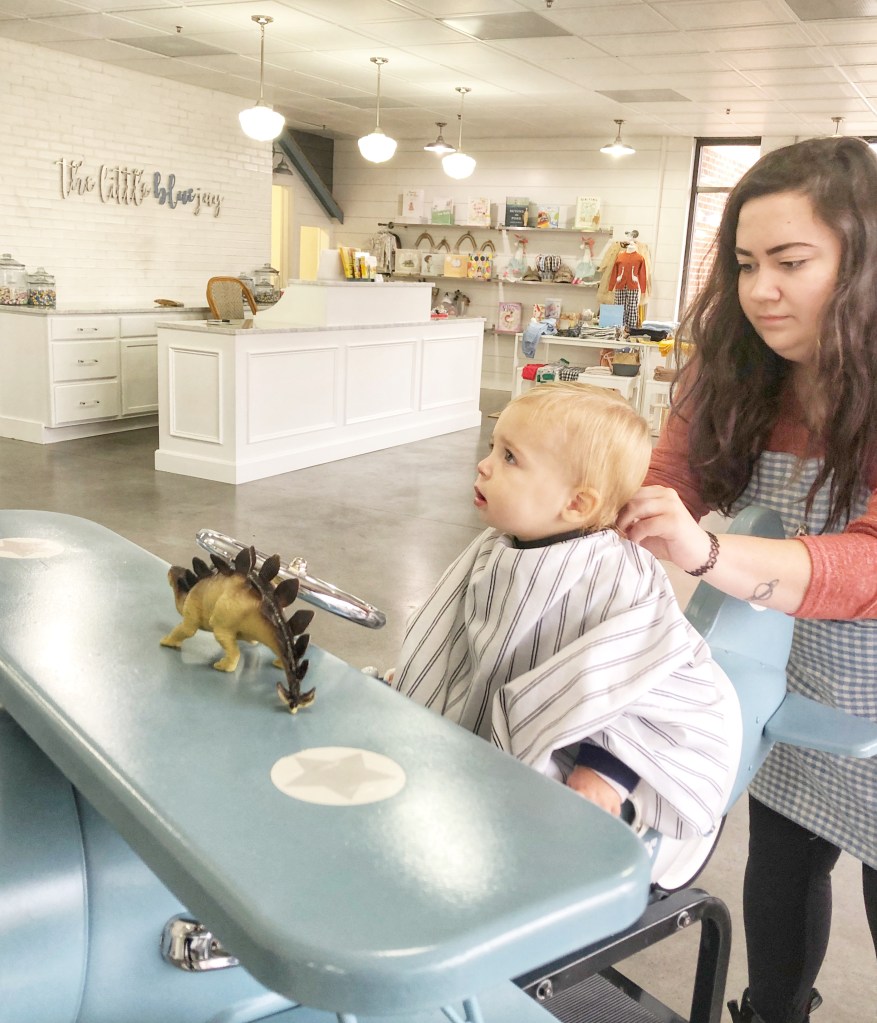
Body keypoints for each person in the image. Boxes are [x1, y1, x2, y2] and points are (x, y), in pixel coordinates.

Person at [617, 136, 877, 1023]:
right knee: (781, 857)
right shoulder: (733, 367)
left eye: (790, 262)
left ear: (860, 263)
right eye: (744, 263)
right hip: (785, 673)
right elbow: (666, 485)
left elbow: (868, 564)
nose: (760, 289)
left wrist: (710, 556)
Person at [394, 382, 741, 841]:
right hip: (480, 740)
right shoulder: (497, 546)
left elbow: (646, 684)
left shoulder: (617, 578)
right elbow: (454, 637)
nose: (484, 464)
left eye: (509, 457)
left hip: (574, 754)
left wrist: (604, 770)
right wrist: (424, 681)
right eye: (493, 447)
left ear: (577, 503)